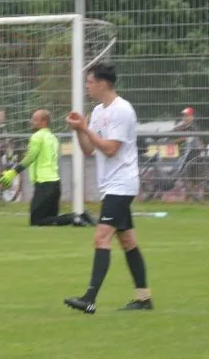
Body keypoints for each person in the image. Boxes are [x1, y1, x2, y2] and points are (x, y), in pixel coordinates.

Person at [63, 62, 153, 313]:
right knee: (128, 241)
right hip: (111, 185)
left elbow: (111, 149)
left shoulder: (122, 110)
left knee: (101, 237)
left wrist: (85, 129)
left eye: (90, 82)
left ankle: (89, 299)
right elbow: (89, 149)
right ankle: (144, 299)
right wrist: (79, 130)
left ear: (102, 83)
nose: (87, 86)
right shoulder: (98, 111)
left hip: (122, 183)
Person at [0, 109, 96, 227]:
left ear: (44, 122)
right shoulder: (52, 137)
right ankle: (80, 217)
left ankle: (74, 217)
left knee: (36, 221)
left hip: (44, 184)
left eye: (35, 119)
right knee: (50, 220)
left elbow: (30, 157)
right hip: (55, 184)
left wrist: (13, 172)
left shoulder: (37, 136)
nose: (31, 122)